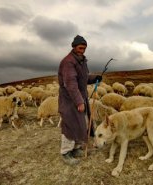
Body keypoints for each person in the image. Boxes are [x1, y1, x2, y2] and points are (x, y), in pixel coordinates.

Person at [58, 35, 102, 165]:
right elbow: (70, 83)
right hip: (70, 99)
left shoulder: (81, 61)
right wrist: (79, 101)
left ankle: (75, 148)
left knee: (80, 124)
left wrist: (95, 78)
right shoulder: (68, 62)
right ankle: (66, 152)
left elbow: (83, 79)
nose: (82, 50)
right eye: (80, 47)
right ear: (74, 46)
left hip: (79, 96)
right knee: (70, 125)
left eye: (84, 48)